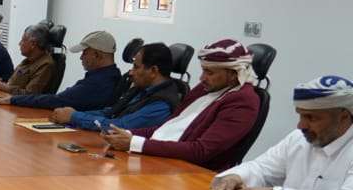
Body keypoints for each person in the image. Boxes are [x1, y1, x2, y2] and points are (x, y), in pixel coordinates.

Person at [208, 76, 353, 190]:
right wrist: (236, 177)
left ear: (344, 117)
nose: (301, 126)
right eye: (301, 116)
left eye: (311, 118)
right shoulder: (298, 138)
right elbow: (261, 168)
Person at [102, 39, 262, 171]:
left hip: (191, 172)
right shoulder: (205, 88)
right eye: (203, 70)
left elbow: (201, 151)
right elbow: (167, 127)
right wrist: (126, 134)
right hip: (162, 160)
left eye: (210, 72)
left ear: (233, 74)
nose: (202, 78)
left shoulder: (243, 102)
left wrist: (135, 143)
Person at [48, 43, 181, 131]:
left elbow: (121, 126)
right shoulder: (143, 89)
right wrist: (72, 114)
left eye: (136, 67)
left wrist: (75, 117)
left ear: (153, 71)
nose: (131, 72)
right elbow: (112, 112)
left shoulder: (162, 104)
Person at [0, 30, 122, 110]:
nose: (81, 57)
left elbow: (57, 100)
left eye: (84, 53)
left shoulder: (98, 83)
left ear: (97, 55)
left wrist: (13, 100)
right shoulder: (109, 76)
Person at [0, 25, 55, 96]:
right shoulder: (29, 60)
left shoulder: (46, 64)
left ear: (33, 44)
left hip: (17, 102)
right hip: (7, 98)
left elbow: (29, 95)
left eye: (23, 40)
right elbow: (13, 83)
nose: (19, 43)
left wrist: (0, 86)